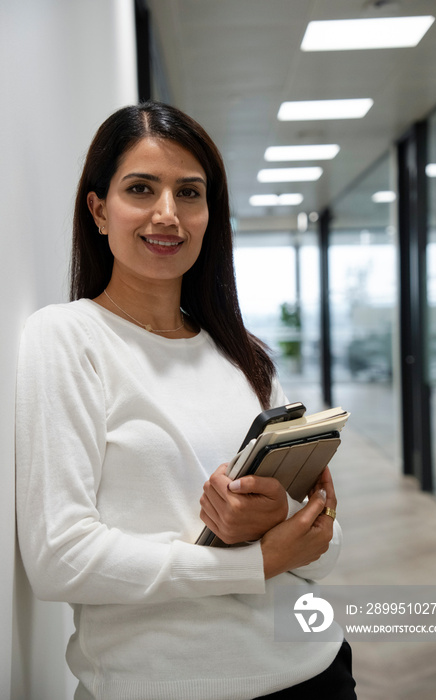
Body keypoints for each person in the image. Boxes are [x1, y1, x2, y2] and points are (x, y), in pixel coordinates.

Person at [15, 101, 356, 700]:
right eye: (141, 189)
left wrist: (282, 521)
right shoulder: (66, 337)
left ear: (209, 213)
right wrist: (252, 563)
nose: (167, 214)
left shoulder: (243, 356)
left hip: (316, 671)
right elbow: (60, 556)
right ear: (99, 210)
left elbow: (320, 553)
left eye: (189, 193)